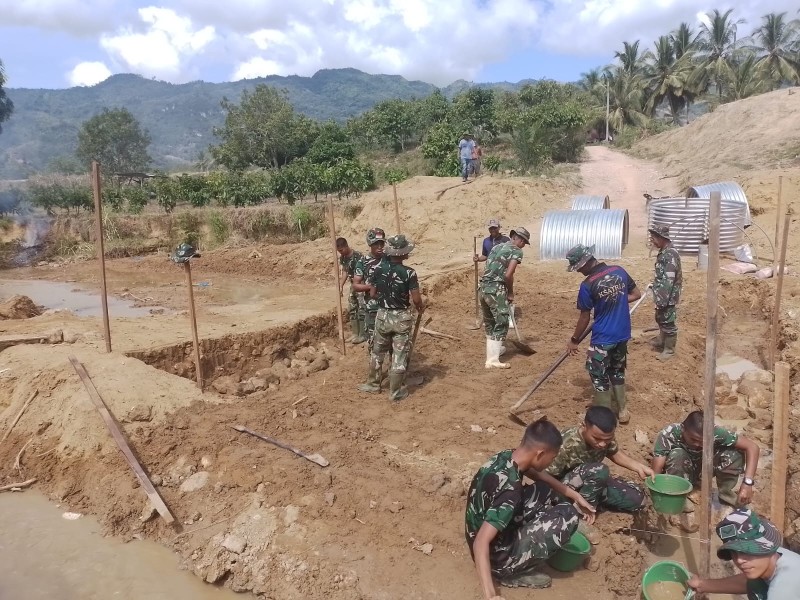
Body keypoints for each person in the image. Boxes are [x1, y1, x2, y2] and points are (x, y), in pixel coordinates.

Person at [466, 418, 596, 597]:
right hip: (494, 557)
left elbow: (537, 475)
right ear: (540, 454)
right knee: (569, 516)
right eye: (552, 457)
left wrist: (575, 495)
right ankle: (507, 573)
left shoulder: (506, 457)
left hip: (479, 527)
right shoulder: (510, 491)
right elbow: (481, 542)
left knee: (544, 490)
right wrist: (491, 595)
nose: (552, 462)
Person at [546, 406, 653, 543]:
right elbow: (546, 478)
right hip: (561, 489)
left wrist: (639, 467)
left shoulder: (605, 438)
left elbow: (614, 453)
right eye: (596, 438)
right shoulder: (566, 443)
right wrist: (573, 496)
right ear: (584, 426)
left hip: (590, 482)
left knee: (638, 499)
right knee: (599, 470)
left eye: (607, 439)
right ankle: (577, 516)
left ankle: (593, 502)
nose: (602, 444)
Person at [566, 244, 642, 424]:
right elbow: (636, 294)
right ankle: (623, 412)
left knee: (598, 375)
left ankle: (603, 418)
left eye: (577, 268)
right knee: (616, 370)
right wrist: (616, 302)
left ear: (584, 264)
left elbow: (584, 317)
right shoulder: (619, 271)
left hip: (602, 338)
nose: (578, 272)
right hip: (622, 334)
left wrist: (574, 340)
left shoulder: (587, 285)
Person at [359, 234, 424, 401]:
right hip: (401, 317)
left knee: (377, 352)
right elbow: (416, 298)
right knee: (399, 354)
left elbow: (372, 293)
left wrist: (383, 299)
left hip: (382, 315)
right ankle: (395, 392)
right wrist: (420, 307)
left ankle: (373, 384)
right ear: (403, 254)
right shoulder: (409, 273)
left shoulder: (379, 269)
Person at [651, 410, 760, 508]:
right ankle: (678, 497)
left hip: (703, 470)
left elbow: (752, 447)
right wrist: (657, 492)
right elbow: (657, 469)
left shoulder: (715, 432)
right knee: (677, 454)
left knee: (734, 453)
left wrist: (747, 483)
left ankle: (726, 495)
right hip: (680, 473)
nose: (698, 444)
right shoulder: (669, 433)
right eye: (693, 439)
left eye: (703, 441)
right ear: (683, 429)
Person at [687, 509, 800, 599]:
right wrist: (701, 585)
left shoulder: (782, 590)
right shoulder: (777, 556)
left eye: (747, 550)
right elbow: (748, 582)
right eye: (734, 553)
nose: (739, 560)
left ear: (766, 548)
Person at [479, 227, 530, 369]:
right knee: (501, 321)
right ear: (516, 238)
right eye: (523, 241)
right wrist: (510, 292)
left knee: (490, 321)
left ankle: (494, 351)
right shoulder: (517, 251)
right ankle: (492, 360)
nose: (524, 245)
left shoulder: (497, 247)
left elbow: (488, 266)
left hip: (483, 287)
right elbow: (508, 275)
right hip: (496, 288)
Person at [649, 225, 682, 361]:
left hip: (667, 295)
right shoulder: (664, 251)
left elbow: (669, 279)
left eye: (654, 238)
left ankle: (669, 350)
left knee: (668, 321)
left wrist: (662, 298)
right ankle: (661, 341)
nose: (652, 241)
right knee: (660, 317)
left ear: (662, 238)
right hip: (662, 293)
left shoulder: (670, 255)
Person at [351, 228, 386, 355]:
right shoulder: (363, 262)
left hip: (389, 306)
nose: (380, 246)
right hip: (372, 307)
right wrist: (370, 287)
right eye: (376, 243)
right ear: (370, 244)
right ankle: (375, 370)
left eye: (382, 243)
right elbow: (356, 285)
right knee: (373, 341)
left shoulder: (389, 259)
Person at [336, 237, 366, 345]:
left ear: (346, 246)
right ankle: (355, 333)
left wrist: (361, 286)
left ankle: (362, 334)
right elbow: (345, 271)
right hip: (353, 285)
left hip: (361, 284)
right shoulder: (343, 258)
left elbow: (364, 272)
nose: (341, 252)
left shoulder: (358, 256)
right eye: (339, 251)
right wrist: (341, 285)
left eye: (341, 250)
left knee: (362, 308)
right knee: (352, 308)